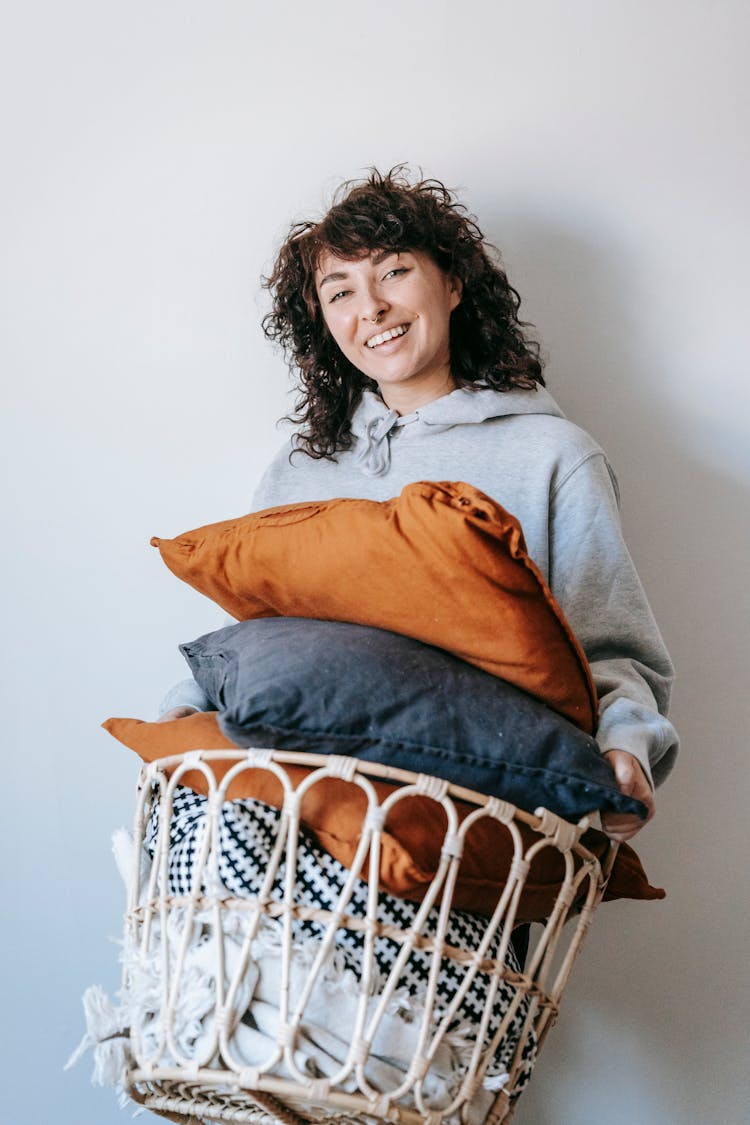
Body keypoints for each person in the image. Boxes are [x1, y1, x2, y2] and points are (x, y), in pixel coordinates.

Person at [160, 167, 678, 843]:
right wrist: (181, 715)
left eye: (394, 271)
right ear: (323, 320)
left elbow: (614, 653)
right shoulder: (296, 473)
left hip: (467, 822)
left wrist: (626, 749)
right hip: (299, 812)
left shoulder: (550, 455)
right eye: (339, 289)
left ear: (454, 283)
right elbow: (253, 645)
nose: (370, 307)